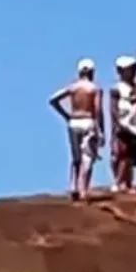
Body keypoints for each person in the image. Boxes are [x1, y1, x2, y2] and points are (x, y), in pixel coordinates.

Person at [49, 58, 104, 201]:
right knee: (88, 157)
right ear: (92, 72)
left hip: (74, 122)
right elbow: (98, 110)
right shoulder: (94, 89)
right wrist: (100, 129)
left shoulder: (73, 88)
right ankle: (83, 189)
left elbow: (53, 100)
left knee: (76, 156)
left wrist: (66, 115)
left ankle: (73, 186)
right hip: (88, 121)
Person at [109, 56, 136, 194]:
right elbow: (113, 108)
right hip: (123, 124)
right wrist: (117, 123)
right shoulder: (117, 89)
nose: (133, 72)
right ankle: (120, 181)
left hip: (135, 124)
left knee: (130, 156)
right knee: (121, 154)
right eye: (130, 69)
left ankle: (127, 182)